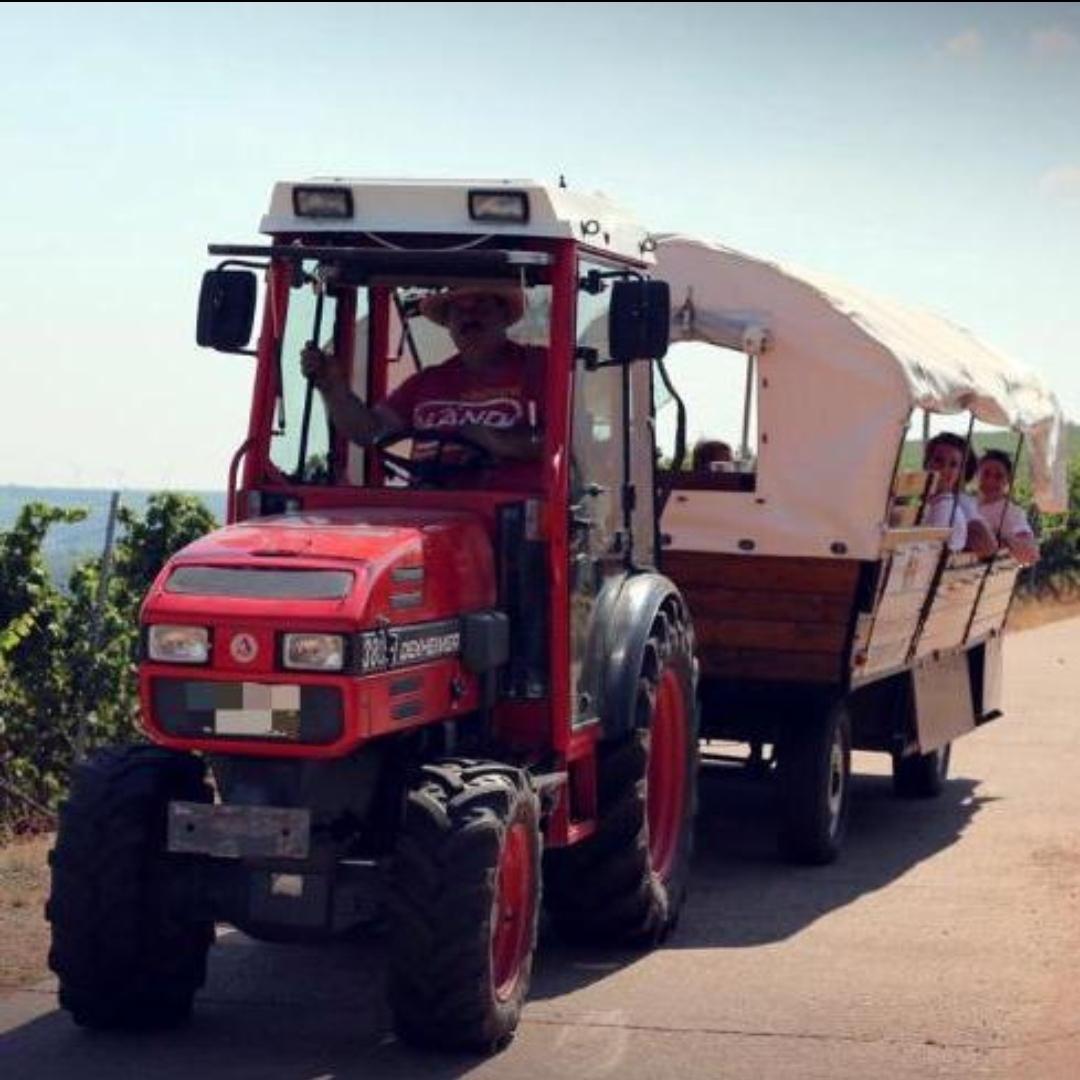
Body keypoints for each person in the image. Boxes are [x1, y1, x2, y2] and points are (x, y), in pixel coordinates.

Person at [300, 283, 544, 481]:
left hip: (513, 522)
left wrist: (495, 441)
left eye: (481, 306)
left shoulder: (539, 367)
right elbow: (371, 431)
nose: (469, 318)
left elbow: (561, 444)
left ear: (504, 315)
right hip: (427, 509)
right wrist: (332, 387)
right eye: (458, 310)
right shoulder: (427, 382)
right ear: (448, 323)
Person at [922, 433, 996, 556]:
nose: (944, 469)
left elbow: (988, 545)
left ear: (961, 474)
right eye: (938, 460)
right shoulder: (938, 503)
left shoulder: (946, 506)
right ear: (927, 464)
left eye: (953, 465)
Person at [976, 449, 1040, 565]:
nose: (990, 480)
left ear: (1008, 481)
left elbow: (1031, 552)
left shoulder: (1011, 512)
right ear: (977, 475)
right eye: (986, 473)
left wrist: (1000, 542)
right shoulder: (969, 505)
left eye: (998, 476)